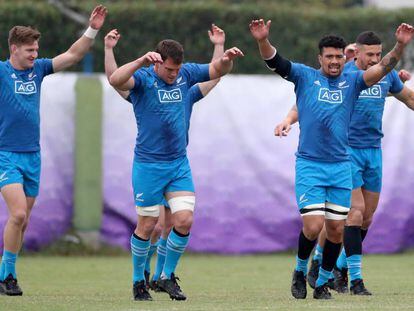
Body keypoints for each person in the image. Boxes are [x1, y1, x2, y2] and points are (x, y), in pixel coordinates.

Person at [250, 18, 413, 299]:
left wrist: (399, 46)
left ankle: (323, 281)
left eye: (338, 56)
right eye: (330, 57)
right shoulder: (305, 76)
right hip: (311, 163)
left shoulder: (353, 81)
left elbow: (385, 68)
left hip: (341, 164)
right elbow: (276, 62)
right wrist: (263, 40)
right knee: (314, 226)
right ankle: (302, 270)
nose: (335, 61)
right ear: (320, 58)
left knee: (338, 229)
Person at [109, 33, 243, 301]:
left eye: (177, 69)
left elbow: (216, 72)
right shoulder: (144, 80)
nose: (173, 74)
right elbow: (115, 80)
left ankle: (166, 276)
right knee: (147, 226)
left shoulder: (187, 77)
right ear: (157, 63)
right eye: (169, 69)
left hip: (178, 164)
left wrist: (225, 58)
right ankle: (138, 281)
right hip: (148, 165)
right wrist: (138, 60)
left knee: (184, 220)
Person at [0, 5, 107, 296]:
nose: (34, 55)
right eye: (29, 50)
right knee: (18, 214)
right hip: (5, 155)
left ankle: (8, 271)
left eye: (36, 49)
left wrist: (93, 29)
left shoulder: (39, 71)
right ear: (14, 49)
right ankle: (6, 275)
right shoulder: (1, 72)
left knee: (24, 219)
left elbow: (73, 54)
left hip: (32, 156)